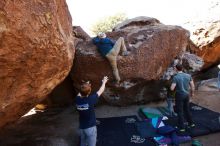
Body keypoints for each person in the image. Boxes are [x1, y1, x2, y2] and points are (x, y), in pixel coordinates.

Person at [76, 76, 108, 146]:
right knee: (92, 144)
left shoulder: (77, 99)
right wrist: (104, 82)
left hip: (81, 127)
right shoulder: (90, 100)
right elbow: (101, 90)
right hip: (90, 127)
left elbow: (81, 92)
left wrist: (85, 85)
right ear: (89, 91)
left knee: (83, 141)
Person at [170, 64, 195, 132]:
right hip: (187, 95)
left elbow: (172, 88)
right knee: (187, 109)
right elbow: (192, 86)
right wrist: (192, 94)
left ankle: (182, 127)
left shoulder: (175, 77)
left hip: (179, 95)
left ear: (176, 69)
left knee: (180, 111)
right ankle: (191, 123)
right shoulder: (188, 75)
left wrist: (171, 86)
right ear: (182, 68)